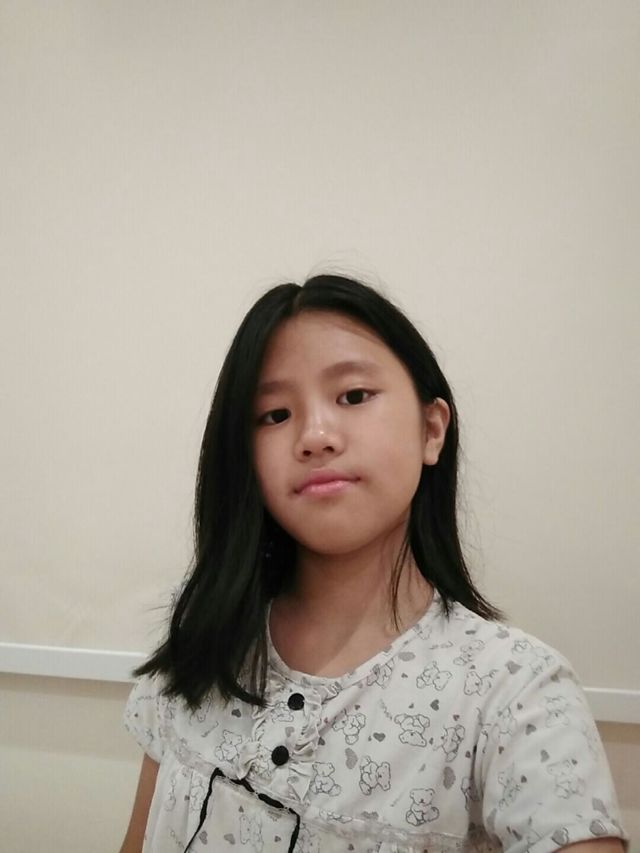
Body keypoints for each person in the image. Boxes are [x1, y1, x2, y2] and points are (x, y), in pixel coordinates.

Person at [119, 274, 628, 853]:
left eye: (354, 396)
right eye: (275, 414)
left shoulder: (515, 693)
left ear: (431, 430)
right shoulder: (206, 626)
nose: (314, 436)